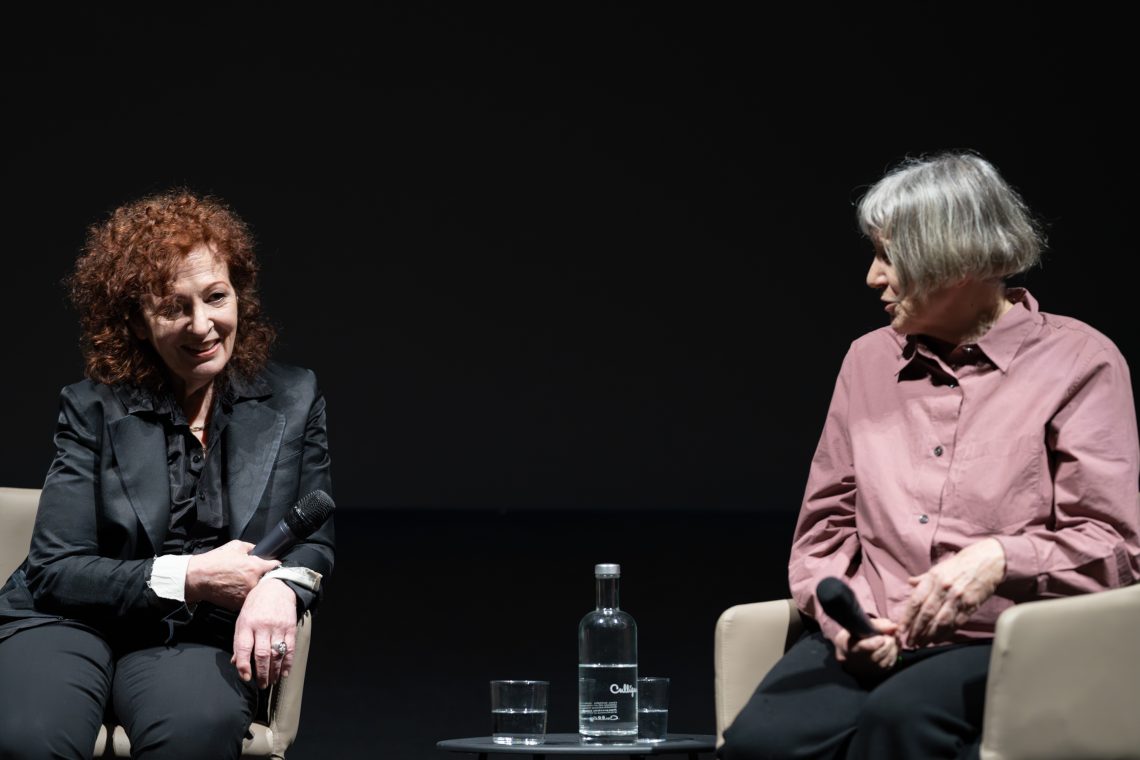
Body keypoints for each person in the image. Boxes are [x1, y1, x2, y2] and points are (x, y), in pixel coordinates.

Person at [720, 152, 1140, 760]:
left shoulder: (1080, 361)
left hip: (1009, 637)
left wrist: (1001, 557)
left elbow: (1114, 545)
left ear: (959, 260)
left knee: (903, 717)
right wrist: (851, 624)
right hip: (877, 632)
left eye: (890, 257)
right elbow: (825, 530)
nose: (873, 277)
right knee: (760, 743)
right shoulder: (867, 360)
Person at [0, 190, 336, 759]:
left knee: (196, 728)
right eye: (174, 307)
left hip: (194, 636)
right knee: (31, 734)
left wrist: (282, 586)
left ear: (238, 295)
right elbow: (57, 570)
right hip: (67, 621)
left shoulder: (294, 397)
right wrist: (192, 575)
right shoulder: (92, 407)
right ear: (137, 321)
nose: (202, 325)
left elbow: (313, 537)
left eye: (216, 297)